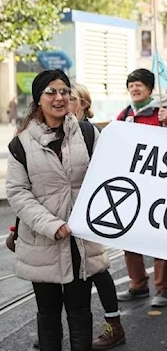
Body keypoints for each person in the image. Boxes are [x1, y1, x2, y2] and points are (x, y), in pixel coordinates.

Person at [6, 69, 108, 350]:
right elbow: (17, 192)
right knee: (48, 315)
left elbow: (107, 177)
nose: (59, 97)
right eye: (51, 92)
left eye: (64, 91)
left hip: (81, 242)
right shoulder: (21, 144)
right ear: (38, 99)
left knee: (80, 314)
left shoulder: (89, 134)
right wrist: (52, 225)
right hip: (43, 242)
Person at [67, 82, 127, 349]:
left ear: (83, 104)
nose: (65, 102)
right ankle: (62, 330)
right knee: (64, 273)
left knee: (97, 270)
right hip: (61, 215)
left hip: (88, 213)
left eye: (71, 98)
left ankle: (113, 326)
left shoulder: (93, 134)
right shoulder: (53, 132)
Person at [115, 69, 167, 308]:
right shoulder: (125, 114)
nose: (134, 89)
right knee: (130, 235)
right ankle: (137, 284)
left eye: (139, 85)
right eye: (131, 85)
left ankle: (163, 289)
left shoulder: (162, 114)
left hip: (157, 186)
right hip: (132, 185)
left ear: (150, 89)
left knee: (158, 238)